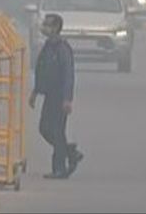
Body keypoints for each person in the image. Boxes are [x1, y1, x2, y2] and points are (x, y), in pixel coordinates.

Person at [29, 13, 83, 178]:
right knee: (44, 129)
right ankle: (70, 152)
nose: (44, 27)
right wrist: (35, 92)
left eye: (47, 25)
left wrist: (67, 99)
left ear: (55, 28)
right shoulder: (48, 46)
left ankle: (59, 168)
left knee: (58, 131)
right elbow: (41, 70)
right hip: (49, 95)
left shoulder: (62, 48)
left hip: (60, 96)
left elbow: (68, 75)